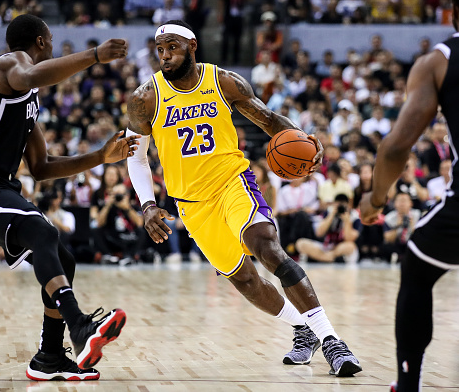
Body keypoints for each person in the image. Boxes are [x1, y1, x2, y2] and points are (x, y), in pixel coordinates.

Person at [126, 20, 362, 376]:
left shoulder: (223, 81)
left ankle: (331, 341)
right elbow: (136, 156)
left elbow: (267, 119)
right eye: (159, 50)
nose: (165, 56)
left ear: (192, 46)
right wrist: (147, 205)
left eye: (172, 47)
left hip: (232, 182)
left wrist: (304, 139)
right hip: (190, 204)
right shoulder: (145, 98)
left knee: (267, 247)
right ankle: (303, 329)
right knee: (244, 279)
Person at [0, 14, 137, 381]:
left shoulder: (28, 102)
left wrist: (99, 157)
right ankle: (79, 325)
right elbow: (32, 75)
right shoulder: (9, 65)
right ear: (42, 41)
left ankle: (49, 357)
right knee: (42, 232)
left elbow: (42, 167)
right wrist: (94, 55)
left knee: (63, 257)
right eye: (50, 39)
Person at [359, 4, 459, 389]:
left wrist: (376, 200)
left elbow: (397, 147)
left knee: (418, 268)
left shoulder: (438, 62)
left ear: (452, 15)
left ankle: (408, 384)